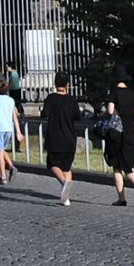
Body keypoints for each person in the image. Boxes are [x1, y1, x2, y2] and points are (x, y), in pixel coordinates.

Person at [42, 70, 82, 206]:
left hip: (54, 136)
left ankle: (65, 183)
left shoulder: (51, 98)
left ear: (55, 83)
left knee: (52, 164)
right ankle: (66, 198)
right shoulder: (72, 99)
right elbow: (79, 117)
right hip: (70, 136)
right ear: (68, 84)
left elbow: (44, 115)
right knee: (66, 167)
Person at [107, 71, 134, 205]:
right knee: (129, 166)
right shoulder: (133, 94)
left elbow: (110, 111)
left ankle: (121, 198)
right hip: (129, 132)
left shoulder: (113, 92)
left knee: (117, 167)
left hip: (116, 133)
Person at [0, 75, 21, 185]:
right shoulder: (11, 100)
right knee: (2, 149)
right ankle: (11, 166)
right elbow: (15, 116)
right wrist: (18, 132)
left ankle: (3, 177)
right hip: (9, 128)